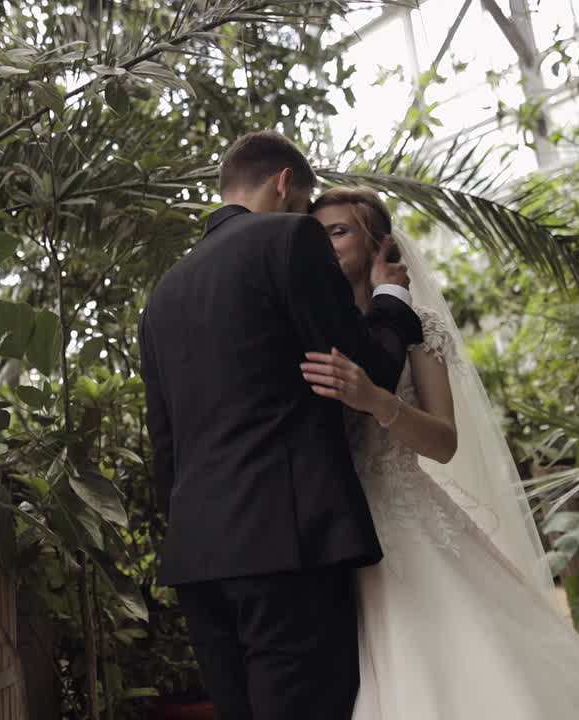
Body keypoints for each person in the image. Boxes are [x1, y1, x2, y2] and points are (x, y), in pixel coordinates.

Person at [302, 186, 579, 719]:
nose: (326, 244)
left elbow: (443, 442)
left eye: (339, 230)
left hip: (406, 527)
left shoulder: (421, 325)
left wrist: (376, 400)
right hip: (331, 530)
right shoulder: (314, 324)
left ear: (380, 244)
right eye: (318, 233)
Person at [137, 131, 425, 720]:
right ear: (285, 184)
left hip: (198, 557)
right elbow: (365, 367)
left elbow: (164, 444)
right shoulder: (290, 237)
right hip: (286, 545)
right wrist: (392, 301)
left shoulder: (163, 295)